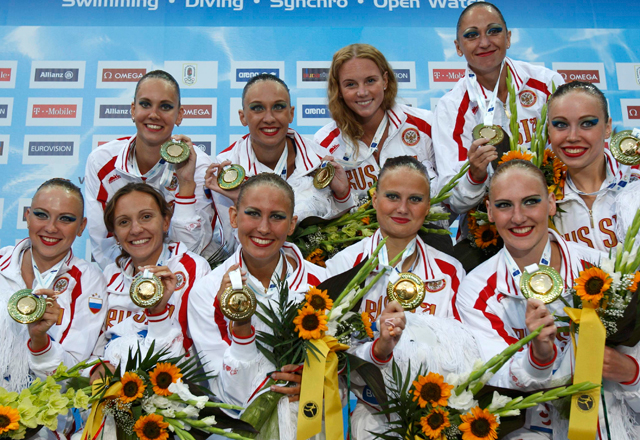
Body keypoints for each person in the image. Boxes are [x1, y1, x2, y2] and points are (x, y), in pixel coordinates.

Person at [456, 160, 639, 439]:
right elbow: (497, 378)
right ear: (490, 211)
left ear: (551, 203)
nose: (518, 217)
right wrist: (539, 357)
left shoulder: (602, 268)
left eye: (531, 201)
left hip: (610, 425)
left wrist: (631, 372)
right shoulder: (476, 290)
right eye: (504, 205)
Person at [324, 156, 465, 435]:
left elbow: (462, 351)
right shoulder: (343, 265)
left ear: (428, 206)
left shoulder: (450, 271)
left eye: (415, 199)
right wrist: (377, 352)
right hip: (369, 417)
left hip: (434, 419)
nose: (402, 208)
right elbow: (329, 352)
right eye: (392, 196)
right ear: (374, 199)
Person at [188, 173, 328, 438]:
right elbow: (229, 396)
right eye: (253, 213)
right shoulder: (206, 292)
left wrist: (315, 382)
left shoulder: (322, 284)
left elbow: (338, 373)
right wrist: (240, 326)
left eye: (277, 216)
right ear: (233, 217)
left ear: (292, 224)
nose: (263, 228)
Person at [85, 70, 232, 269]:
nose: (154, 115)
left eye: (165, 106)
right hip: (126, 275)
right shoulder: (101, 162)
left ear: (179, 115)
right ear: (133, 110)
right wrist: (139, 281)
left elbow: (191, 252)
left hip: (188, 276)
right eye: (145, 104)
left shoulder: (197, 164)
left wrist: (186, 184)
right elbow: (105, 246)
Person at [433, 2, 564, 216]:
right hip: (488, 222)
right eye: (472, 35)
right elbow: (453, 200)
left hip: (556, 212)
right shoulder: (451, 108)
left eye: (493, 31)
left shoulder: (547, 84)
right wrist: (475, 175)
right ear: (458, 47)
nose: (484, 42)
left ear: (508, 38)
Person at [91, 183, 211, 376]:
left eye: (146, 217)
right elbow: (94, 349)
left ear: (165, 222)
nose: (136, 229)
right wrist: (98, 370)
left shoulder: (191, 269)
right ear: (115, 235)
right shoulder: (109, 275)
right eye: (124, 222)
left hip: (174, 383)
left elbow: (192, 352)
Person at [0, 178, 106, 390]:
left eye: (65, 219)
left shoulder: (89, 280)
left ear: (81, 227)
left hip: (43, 407)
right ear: (27, 216)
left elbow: (72, 376)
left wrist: (40, 341)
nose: (51, 228)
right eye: (41, 215)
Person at [208, 73, 354, 224]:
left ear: (291, 114)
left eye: (278, 107)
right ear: (243, 117)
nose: (269, 118)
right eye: (257, 108)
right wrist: (241, 201)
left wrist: (343, 194)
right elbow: (230, 237)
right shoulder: (227, 169)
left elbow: (340, 229)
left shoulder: (319, 158)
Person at [315, 44, 438, 204]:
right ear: (338, 89)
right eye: (351, 84)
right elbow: (324, 210)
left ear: (385, 80)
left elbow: (450, 197)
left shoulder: (425, 124)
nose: (362, 92)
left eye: (370, 81)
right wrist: (343, 196)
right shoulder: (325, 143)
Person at [548, 81, 640, 251]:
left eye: (587, 123)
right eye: (561, 124)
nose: (573, 137)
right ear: (549, 130)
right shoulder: (540, 196)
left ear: (607, 127)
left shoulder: (635, 177)